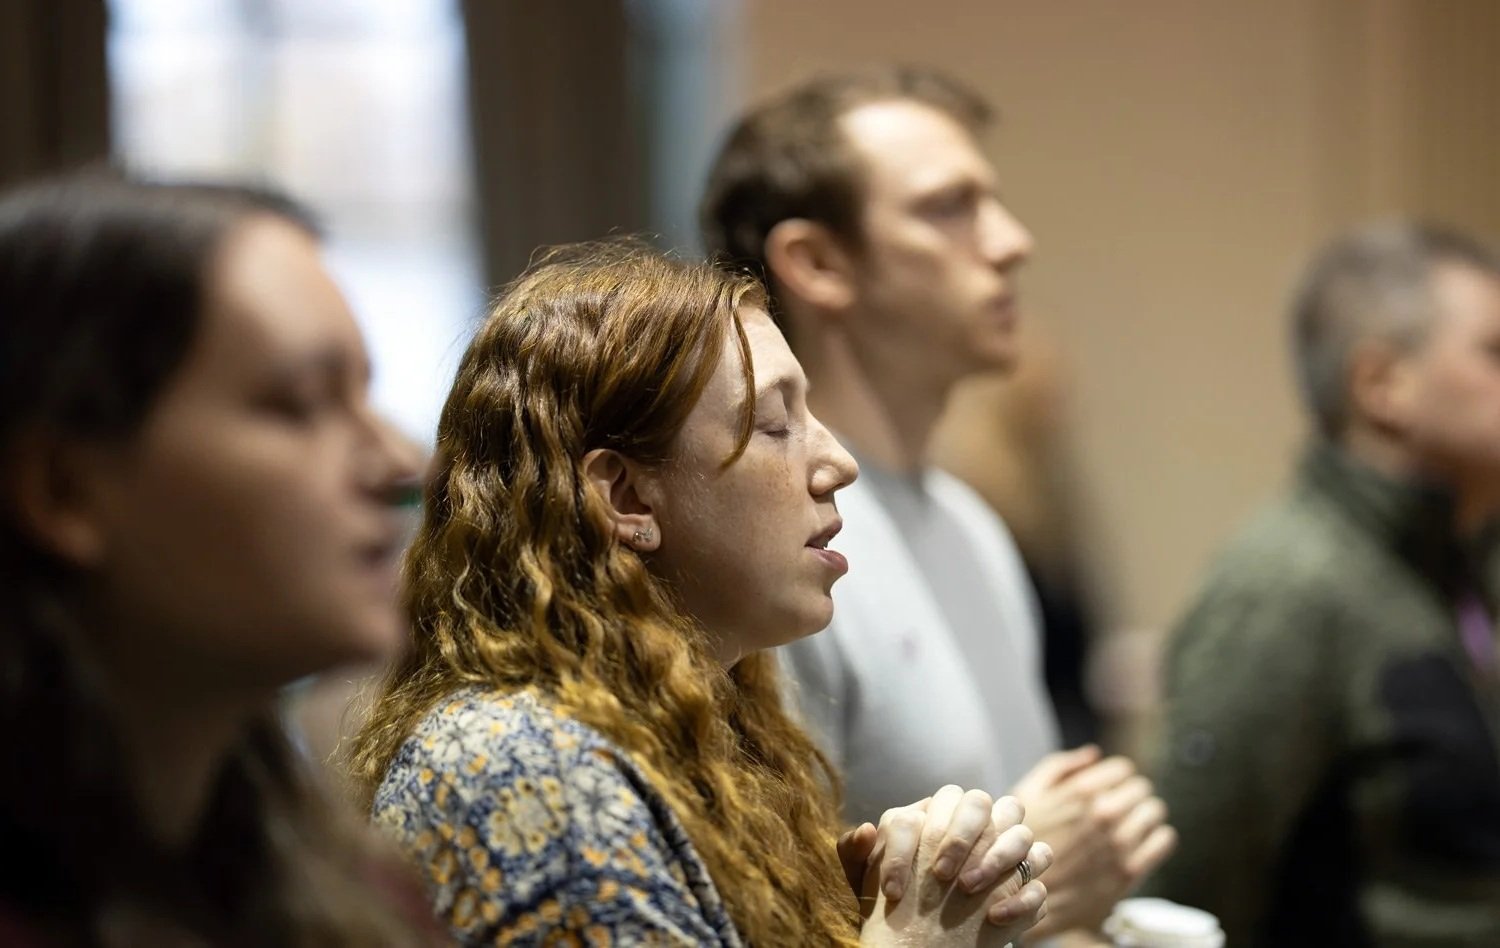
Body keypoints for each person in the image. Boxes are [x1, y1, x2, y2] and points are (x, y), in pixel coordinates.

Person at [348, 240, 1054, 945]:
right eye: (776, 425)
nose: (836, 462)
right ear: (625, 495)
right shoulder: (516, 764)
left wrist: (854, 915)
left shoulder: (691, 730)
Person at [700, 67, 1175, 942]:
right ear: (817, 263)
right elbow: (755, 914)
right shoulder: (765, 550)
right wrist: (1032, 874)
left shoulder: (971, 523)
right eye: (949, 208)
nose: (1010, 242)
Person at [0, 173, 434, 944]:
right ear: (62, 491)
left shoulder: (356, 889)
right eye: (301, 403)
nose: (402, 461)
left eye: (366, 393)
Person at [1146, 222, 1500, 945]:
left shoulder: (1460, 557)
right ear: (1381, 384)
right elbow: (1187, 904)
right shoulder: (1286, 589)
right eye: (1495, 352)